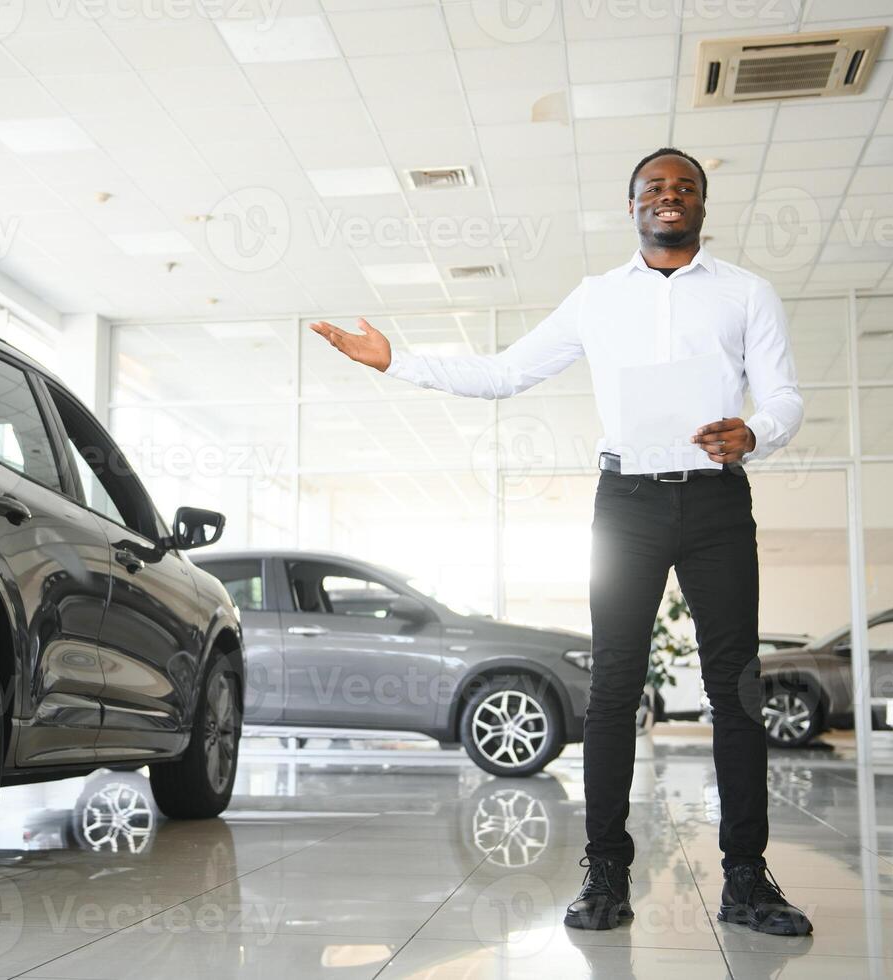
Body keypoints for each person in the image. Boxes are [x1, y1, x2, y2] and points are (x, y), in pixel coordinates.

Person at [309, 147, 813, 937]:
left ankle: (746, 879)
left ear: (702, 206)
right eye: (654, 188)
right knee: (613, 687)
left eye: (684, 187)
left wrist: (755, 430)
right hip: (627, 505)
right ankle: (604, 871)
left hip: (716, 498)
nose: (669, 197)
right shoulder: (595, 298)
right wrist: (393, 362)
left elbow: (782, 392)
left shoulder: (747, 293)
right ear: (632, 207)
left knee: (735, 688)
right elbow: (505, 373)